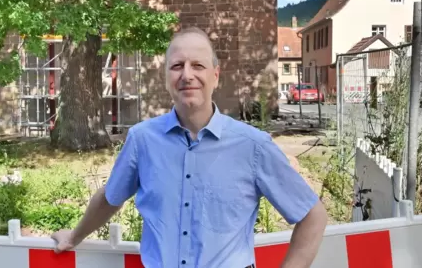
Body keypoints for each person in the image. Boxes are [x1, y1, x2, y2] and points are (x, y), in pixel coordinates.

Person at [51, 27, 327, 268]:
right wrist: (74, 237)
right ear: (166, 78)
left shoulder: (252, 146)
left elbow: (312, 216)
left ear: (215, 76)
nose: (187, 75)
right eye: (177, 66)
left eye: (198, 65)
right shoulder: (142, 140)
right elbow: (111, 197)